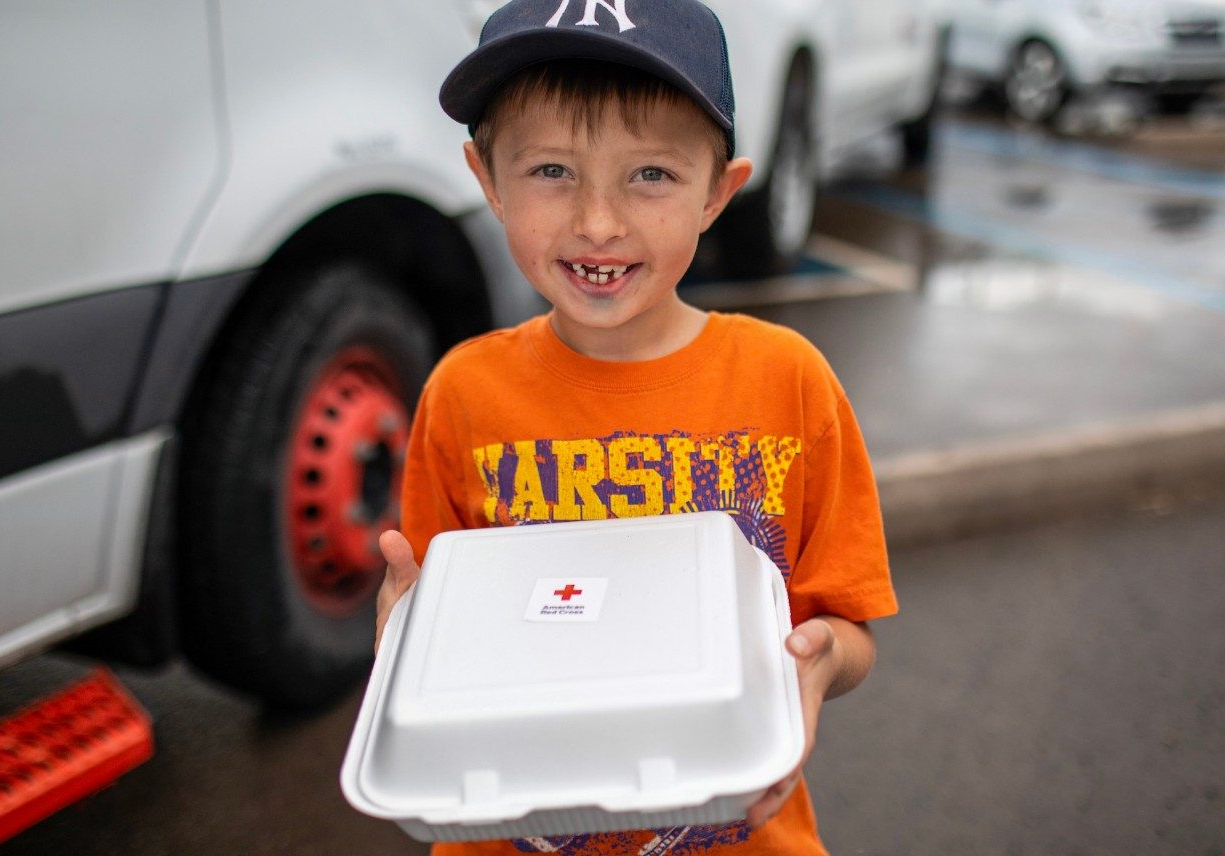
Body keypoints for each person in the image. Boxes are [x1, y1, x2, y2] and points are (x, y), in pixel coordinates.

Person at [373, 1, 897, 853]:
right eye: (550, 171)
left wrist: (819, 660)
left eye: (650, 175)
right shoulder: (464, 392)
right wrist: (404, 641)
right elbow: (442, 645)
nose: (598, 222)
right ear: (486, 178)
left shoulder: (788, 381)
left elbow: (849, 632)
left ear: (720, 192)